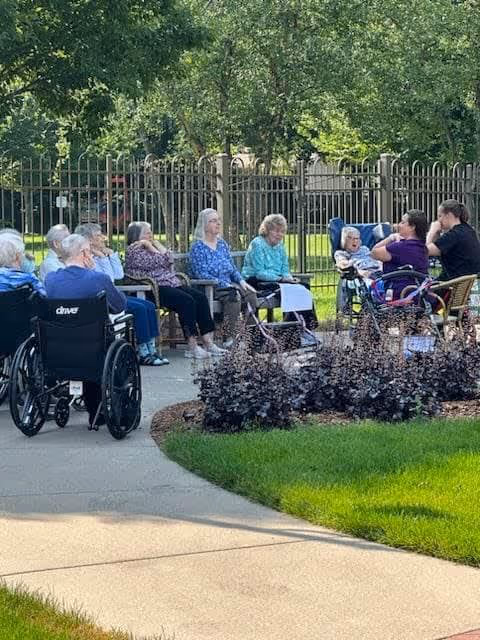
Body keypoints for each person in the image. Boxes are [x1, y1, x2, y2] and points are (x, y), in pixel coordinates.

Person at [45, 234, 127, 427]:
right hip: (93, 349)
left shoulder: (51, 280)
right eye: (90, 251)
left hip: (57, 349)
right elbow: (119, 305)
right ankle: (107, 410)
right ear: (84, 254)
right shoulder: (98, 279)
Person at [125, 221, 225, 359]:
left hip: (169, 283)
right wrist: (153, 247)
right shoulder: (133, 250)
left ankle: (208, 342)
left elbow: (170, 259)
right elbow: (163, 260)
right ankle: (192, 345)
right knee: (186, 301)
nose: (151, 235)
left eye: (150, 232)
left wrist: (154, 244)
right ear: (137, 236)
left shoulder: (150, 246)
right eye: (147, 233)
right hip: (153, 288)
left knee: (200, 298)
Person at [75, 222, 168, 366]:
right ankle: (143, 352)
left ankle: (152, 349)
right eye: (99, 235)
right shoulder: (87, 259)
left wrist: (110, 255)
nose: (103, 238)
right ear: (89, 240)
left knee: (149, 305)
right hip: (104, 299)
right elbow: (108, 279)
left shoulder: (101, 255)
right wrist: (103, 258)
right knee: (139, 309)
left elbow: (118, 275)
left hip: (112, 294)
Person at [189, 208, 257, 346]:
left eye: (218, 220)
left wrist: (241, 281)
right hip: (209, 287)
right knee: (233, 296)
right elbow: (200, 273)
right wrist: (223, 284)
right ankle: (229, 337)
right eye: (213, 221)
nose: (218, 223)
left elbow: (232, 268)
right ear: (205, 225)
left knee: (250, 294)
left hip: (228, 284)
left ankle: (251, 335)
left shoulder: (222, 244)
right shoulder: (198, 247)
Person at [242, 213, 318, 330]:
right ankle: (290, 329)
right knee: (290, 291)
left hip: (276, 281)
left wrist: (289, 278)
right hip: (255, 281)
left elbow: (285, 268)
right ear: (267, 230)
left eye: (282, 231)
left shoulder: (280, 246)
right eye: (276, 231)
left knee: (304, 287)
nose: (280, 235)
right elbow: (259, 272)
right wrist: (281, 279)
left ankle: (305, 328)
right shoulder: (257, 244)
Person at [371, 209, 429, 298]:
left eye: (402, 222)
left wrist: (391, 238)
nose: (398, 225)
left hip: (398, 296)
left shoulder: (399, 247)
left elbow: (374, 253)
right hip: (418, 296)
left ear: (412, 227)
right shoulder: (422, 247)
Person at [426, 199, 480, 280]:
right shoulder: (468, 230)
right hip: (468, 283)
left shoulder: (453, 236)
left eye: (440, 216)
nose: (438, 220)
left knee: (418, 290)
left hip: (452, 285)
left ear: (449, 215)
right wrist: (437, 233)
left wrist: (432, 231)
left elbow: (424, 251)